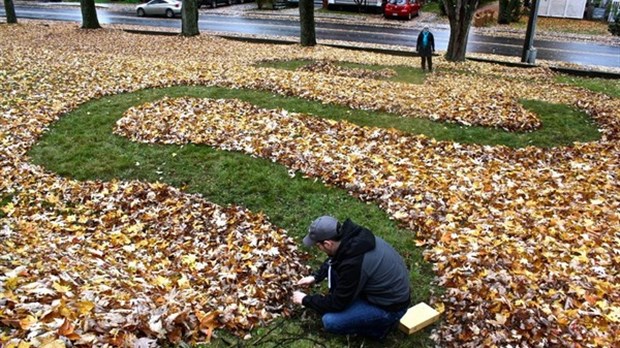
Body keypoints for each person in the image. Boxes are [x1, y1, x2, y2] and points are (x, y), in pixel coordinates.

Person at [292, 216, 411, 340]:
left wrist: (305, 300)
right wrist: (315, 277)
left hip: (390, 308)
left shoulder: (353, 264)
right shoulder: (352, 239)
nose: (319, 249)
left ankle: (379, 329)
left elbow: (337, 303)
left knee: (331, 321)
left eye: (318, 246)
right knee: (335, 274)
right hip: (380, 289)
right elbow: (334, 260)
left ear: (327, 243)